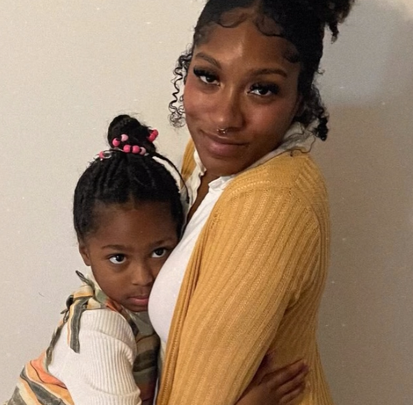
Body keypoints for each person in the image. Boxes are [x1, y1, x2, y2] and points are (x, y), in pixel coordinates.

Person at [6, 115, 308, 405]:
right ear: (84, 251)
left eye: (159, 252)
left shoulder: (145, 309)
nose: (143, 277)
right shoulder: (99, 332)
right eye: (118, 258)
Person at [148, 1, 355, 404]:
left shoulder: (272, 203)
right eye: (208, 77)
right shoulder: (205, 162)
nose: (225, 117)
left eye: (262, 89)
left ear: (299, 100)